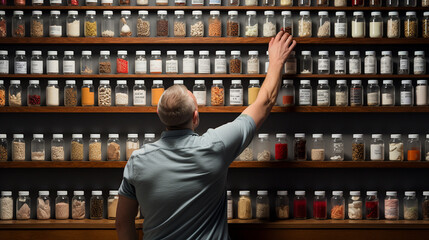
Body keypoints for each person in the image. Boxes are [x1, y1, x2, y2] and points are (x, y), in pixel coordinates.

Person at [116, 31, 296, 240]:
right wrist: (276, 61)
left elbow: (122, 223)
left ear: (159, 115)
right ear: (195, 117)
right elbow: (264, 102)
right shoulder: (215, 145)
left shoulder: (137, 161)